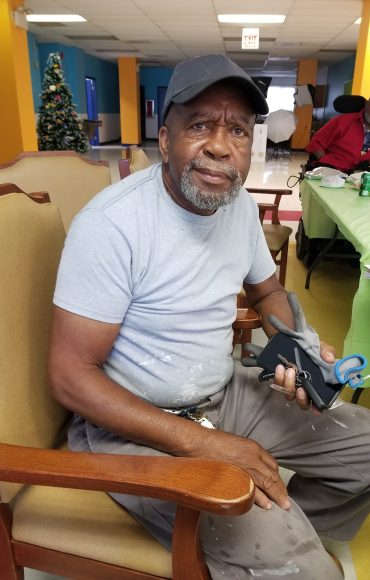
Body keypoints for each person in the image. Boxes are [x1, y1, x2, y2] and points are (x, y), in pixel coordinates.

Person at [48, 53, 370, 579]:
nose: (220, 146)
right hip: (133, 424)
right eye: (200, 124)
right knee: (307, 572)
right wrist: (207, 443)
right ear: (167, 136)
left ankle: (283, 543)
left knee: (364, 452)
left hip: (223, 394)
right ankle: (282, 557)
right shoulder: (111, 226)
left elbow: (267, 293)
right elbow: (69, 378)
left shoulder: (237, 206)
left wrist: (300, 347)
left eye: (238, 130)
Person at [305, 96, 370, 174]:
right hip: (335, 169)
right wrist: (325, 163)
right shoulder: (343, 121)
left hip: (364, 173)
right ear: (366, 104)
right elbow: (316, 143)